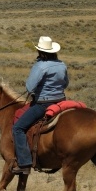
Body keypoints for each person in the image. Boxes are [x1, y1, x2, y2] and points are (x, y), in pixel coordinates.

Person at [11, 36, 69, 175]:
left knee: (18, 128)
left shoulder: (40, 66)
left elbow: (30, 87)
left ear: (41, 52)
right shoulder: (62, 64)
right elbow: (66, 84)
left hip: (43, 103)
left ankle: (24, 163)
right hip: (61, 101)